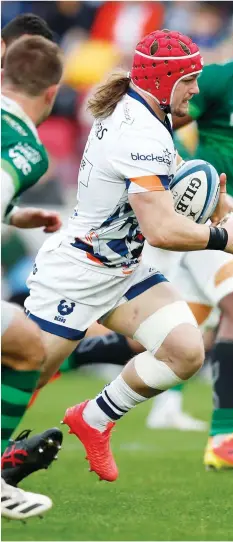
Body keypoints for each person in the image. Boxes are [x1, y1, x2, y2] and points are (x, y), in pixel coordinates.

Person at [23, 28, 233, 482]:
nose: (196, 88)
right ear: (164, 80)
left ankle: (93, 419)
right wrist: (221, 237)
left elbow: (168, 181)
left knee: (184, 351)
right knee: (25, 379)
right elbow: (161, 230)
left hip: (123, 269)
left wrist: (220, 201)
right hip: (79, 271)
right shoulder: (140, 130)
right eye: (189, 80)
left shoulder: (149, 112)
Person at [145, 1, 233, 470]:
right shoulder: (223, 80)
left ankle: (53, 356)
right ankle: (226, 436)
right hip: (211, 221)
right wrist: (175, 182)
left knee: (176, 341)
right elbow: (159, 125)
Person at [1, 34, 63, 519]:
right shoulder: (26, 146)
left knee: (22, 341)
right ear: (51, 93)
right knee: (27, 349)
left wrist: (14, 215)